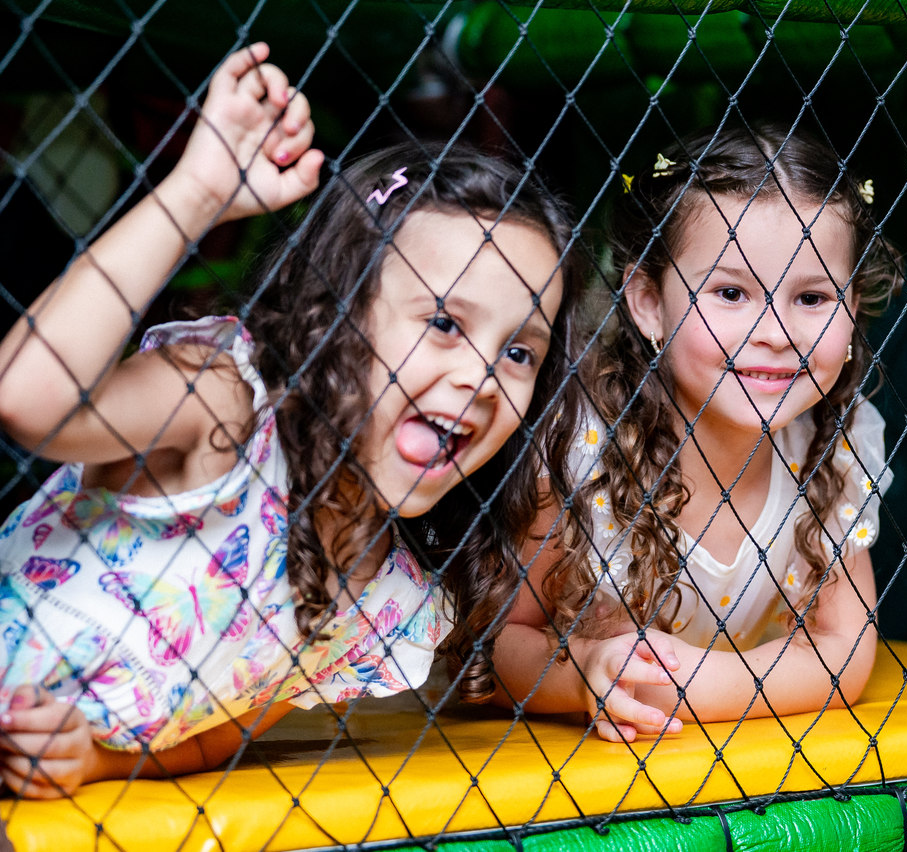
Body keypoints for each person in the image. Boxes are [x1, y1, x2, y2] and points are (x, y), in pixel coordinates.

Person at [0, 42, 580, 796]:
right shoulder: (227, 411)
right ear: (337, 315)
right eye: (443, 323)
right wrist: (197, 194)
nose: (481, 375)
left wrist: (94, 759)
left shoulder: (393, 599)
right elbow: (27, 394)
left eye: (519, 351)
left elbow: (220, 733)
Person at [492, 122, 902, 742]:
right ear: (648, 301)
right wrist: (583, 673)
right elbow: (495, 647)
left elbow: (844, 649)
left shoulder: (830, 445)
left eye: (812, 298)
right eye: (731, 292)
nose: (776, 332)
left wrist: (701, 685)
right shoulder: (580, 449)